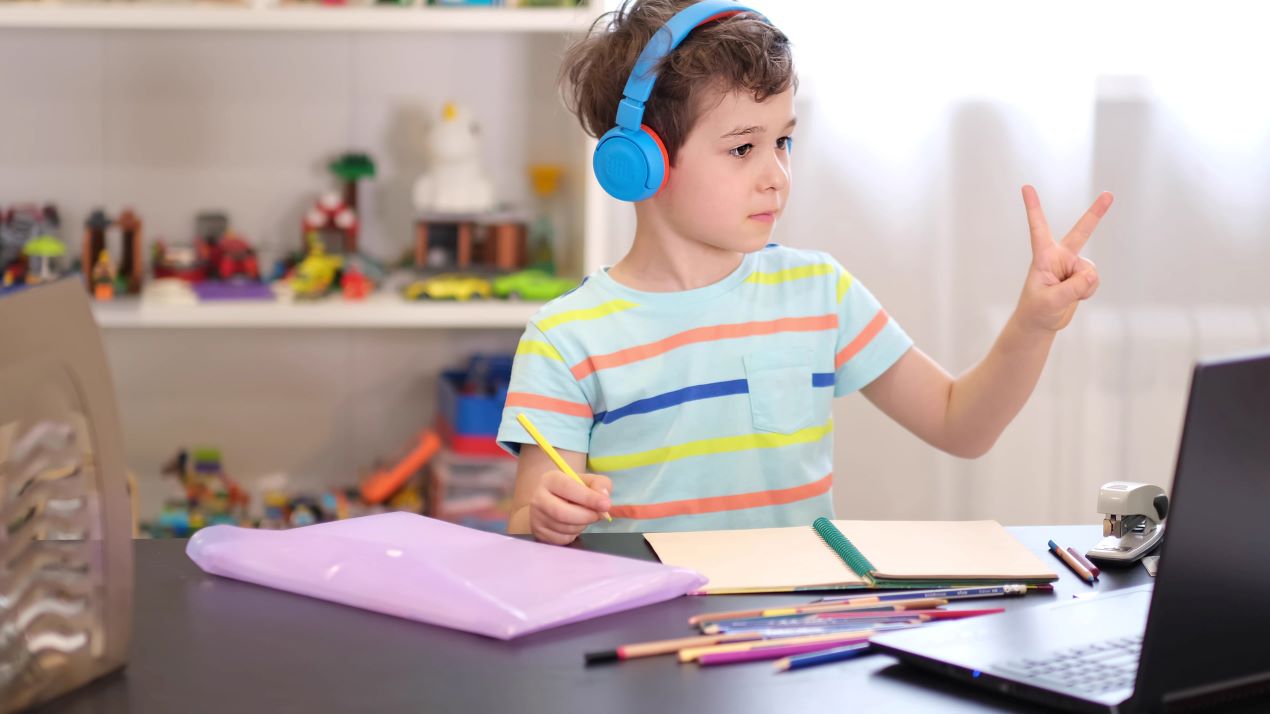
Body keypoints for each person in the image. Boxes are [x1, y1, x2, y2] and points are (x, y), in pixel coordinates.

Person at [497, 0, 1112, 545]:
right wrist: (547, 516)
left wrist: (1034, 324)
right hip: (649, 643)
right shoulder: (566, 338)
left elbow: (963, 425)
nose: (776, 175)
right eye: (743, 148)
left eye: (783, 142)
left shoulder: (819, 291)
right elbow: (530, 517)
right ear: (641, 163)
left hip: (796, 631)